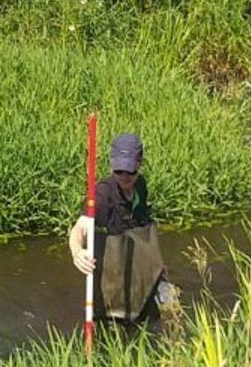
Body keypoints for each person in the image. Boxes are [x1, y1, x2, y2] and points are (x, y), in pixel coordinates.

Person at [67, 131, 172, 323]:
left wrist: (158, 262)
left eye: (130, 171)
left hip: (137, 256)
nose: (124, 177)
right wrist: (77, 252)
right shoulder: (102, 196)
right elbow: (80, 228)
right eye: (119, 171)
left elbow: (144, 226)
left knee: (168, 304)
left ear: (139, 165)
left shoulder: (140, 185)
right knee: (116, 318)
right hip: (113, 265)